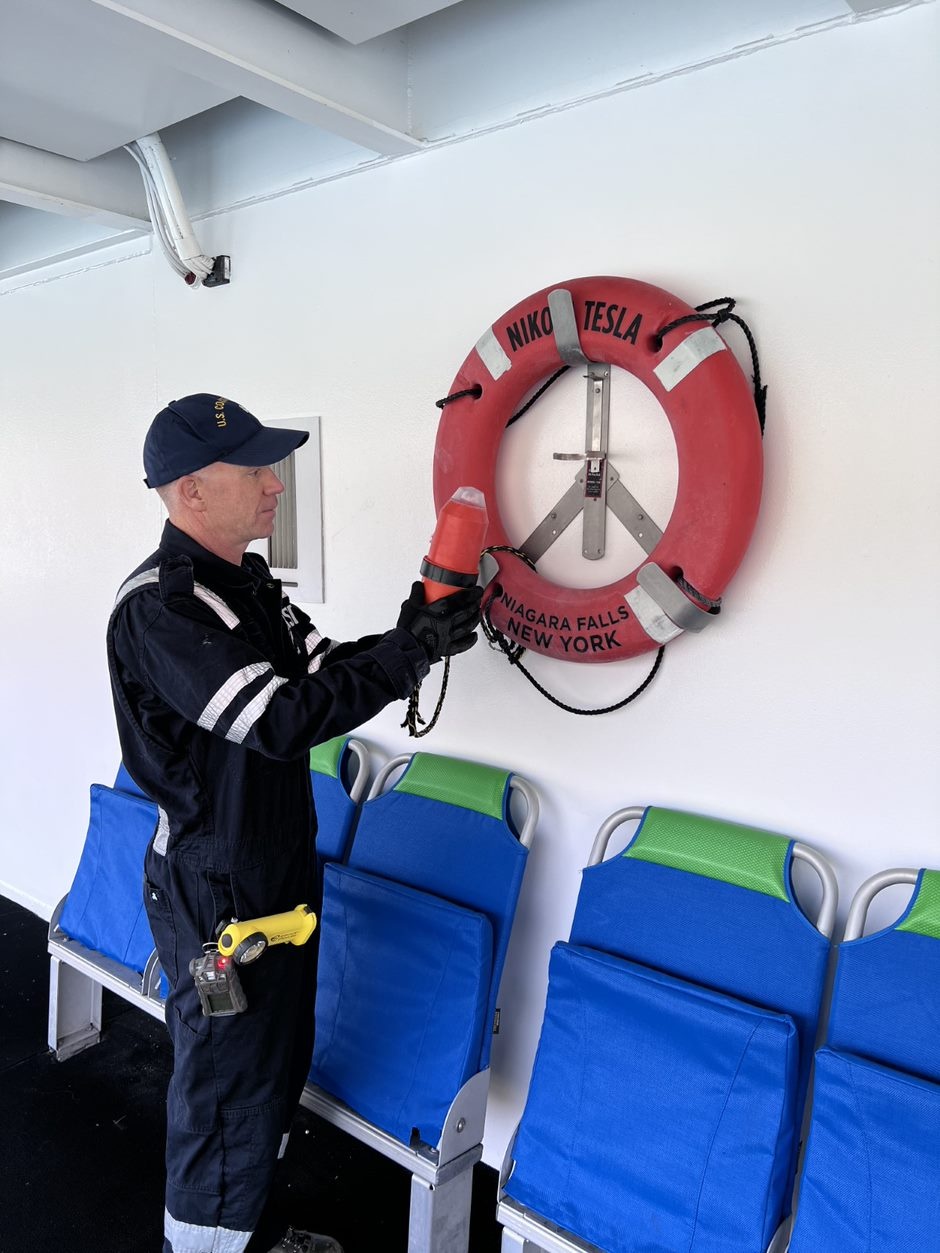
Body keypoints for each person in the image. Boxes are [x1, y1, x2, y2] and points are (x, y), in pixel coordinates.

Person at [107, 393, 483, 1253]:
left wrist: (410, 629)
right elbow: (278, 717)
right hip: (214, 889)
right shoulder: (163, 610)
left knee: (272, 1068)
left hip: (275, 871)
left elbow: (320, 669)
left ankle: (252, 1230)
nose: (275, 484)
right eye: (255, 469)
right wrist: (410, 655)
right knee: (225, 1086)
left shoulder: (246, 585)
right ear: (192, 491)